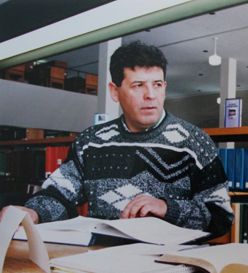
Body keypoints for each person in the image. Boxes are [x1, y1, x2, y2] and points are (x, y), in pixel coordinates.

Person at [1, 41, 233, 237]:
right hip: (101, 261)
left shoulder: (195, 142)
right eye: (138, 85)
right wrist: (34, 213)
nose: (151, 95)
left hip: (169, 267)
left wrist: (167, 207)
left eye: (157, 84)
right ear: (115, 91)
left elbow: (221, 216)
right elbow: (58, 196)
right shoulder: (90, 142)